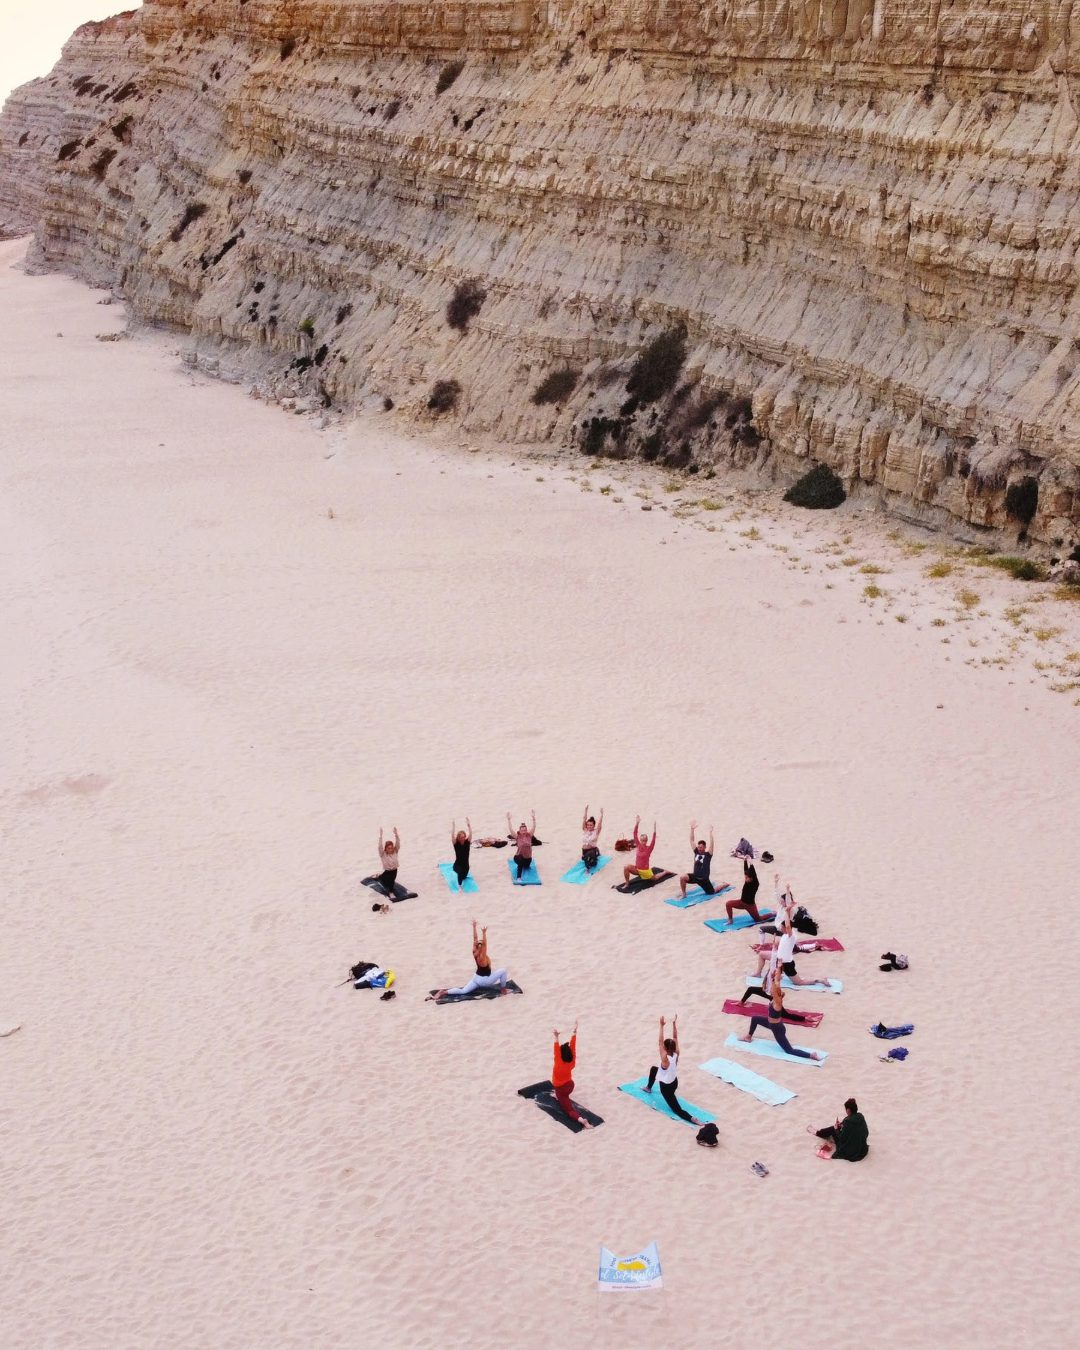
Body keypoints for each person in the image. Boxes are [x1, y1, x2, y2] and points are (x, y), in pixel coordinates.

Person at [644, 1015, 705, 1125]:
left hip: (666, 1088)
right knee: (654, 1069)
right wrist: (673, 1024)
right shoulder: (676, 1053)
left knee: (677, 1110)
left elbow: (660, 1041)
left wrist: (661, 1026)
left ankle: (693, 1119)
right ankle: (648, 1087)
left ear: (666, 1049)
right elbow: (675, 1037)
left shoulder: (664, 1058)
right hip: (674, 1083)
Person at [740, 981, 823, 1060]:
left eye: (772, 990)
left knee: (789, 1050)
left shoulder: (777, 1002)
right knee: (755, 1018)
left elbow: (775, 990)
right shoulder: (775, 998)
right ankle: (748, 1037)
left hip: (777, 1029)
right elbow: (776, 987)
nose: (769, 990)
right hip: (771, 1024)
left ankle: (811, 1055)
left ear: (775, 993)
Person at [434, 920, 510, 999]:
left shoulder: (474, 953)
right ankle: (503, 990)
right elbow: (484, 944)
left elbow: (475, 939)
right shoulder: (482, 957)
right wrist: (484, 933)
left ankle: (444, 992)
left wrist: (474, 927)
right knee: (503, 970)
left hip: (476, 978)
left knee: (463, 991)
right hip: (484, 981)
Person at [551, 1021, 593, 1128]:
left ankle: (583, 1121)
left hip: (561, 1090)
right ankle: (559, 1096)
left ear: (560, 1054)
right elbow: (573, 1047)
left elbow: (556, 1046)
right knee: (561, 1093)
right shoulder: (572, 1060)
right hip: (570, 1085)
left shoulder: (558, 1060)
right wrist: (574, 1031)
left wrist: (556, 1035)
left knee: (569, 1110)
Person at [679, 821, 715, 897]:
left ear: (705, 847)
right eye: (698, 847)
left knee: (713, 892)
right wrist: (692, 829)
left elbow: (712, 844)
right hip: (695, 877)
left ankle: (723, 885)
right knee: (682, 877)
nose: (699, 848)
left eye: (701, 847)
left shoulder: (708, 855)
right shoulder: (696, 852)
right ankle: (684, 894)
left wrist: (710, 833)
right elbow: (691, 840)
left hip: (704, 880)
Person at [725, 855, 762, 922]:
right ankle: (730, 919)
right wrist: (745, 861)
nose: (745, 878)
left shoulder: (755, 884)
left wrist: (751, 863)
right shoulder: (747, 881)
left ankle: (772, 914)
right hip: (741, 903)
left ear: (751, 878)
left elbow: (754, 874)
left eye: (747, 877)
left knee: (758, 919)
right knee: (728, 904)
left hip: (750, 906)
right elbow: (745, 871)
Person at [622, 816, 657, 885]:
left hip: (645, 871)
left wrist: (654, 831)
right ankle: (627, 883)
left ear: (646, 841)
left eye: (644, 840)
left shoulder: (649, 848)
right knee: (626, 867)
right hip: (637, 870)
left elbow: (653, 840)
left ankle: (665, 872)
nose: (643, 842)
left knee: (655, 879)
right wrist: (637, 823)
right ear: (640, 840)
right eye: (641, 840)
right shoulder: (638, 845)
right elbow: (635, 833)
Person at [507, 811, 537, 880]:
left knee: (526, 866)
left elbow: (534, 827)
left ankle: (523, 865)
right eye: (522, 830)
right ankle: (519, 878)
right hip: (518, 857)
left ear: (526, 830)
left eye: (525, 830)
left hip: (528, 859)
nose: (523, 831)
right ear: (520, 831)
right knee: (520, 861)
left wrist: (533, 818)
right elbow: (510, 829)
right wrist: (509, 820)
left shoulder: (529, 835)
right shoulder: (517, 837)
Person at [376, 826, 401, 894]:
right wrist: (381, 836)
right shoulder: (383, 854)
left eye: (391, 847)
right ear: (386, 848)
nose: (390, 849)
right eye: (389, 848)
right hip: (387, 871)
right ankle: (380, 878)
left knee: (391, 880)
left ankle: (391, 890)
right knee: (386, 881)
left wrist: (396, 834)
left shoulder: (395, 851)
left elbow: (398, 844)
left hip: (394, 870)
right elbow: (380, 846)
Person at [451, 818, 472, 889]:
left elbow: (471, 834)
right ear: (459, 838)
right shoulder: (456, 844)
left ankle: (461, 877)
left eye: (464, 836)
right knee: (459, 873)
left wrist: (469, 825)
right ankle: (460, 886)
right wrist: (453, 826)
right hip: (457, 865)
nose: (463, 838)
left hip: (466, 866)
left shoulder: (467, 842)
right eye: (461, 837)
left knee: (464, 877)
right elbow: (452, 836)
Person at [581, 806, 604, 872]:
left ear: (594, 825)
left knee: (591, 862)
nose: (589, 826)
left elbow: (599, 824)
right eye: (588, 825)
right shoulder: (585, 830)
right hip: (584, 851)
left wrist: (601, 815)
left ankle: (587, 869)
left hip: (592, 850)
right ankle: (594, 855)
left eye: (591, 825)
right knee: (586, 859)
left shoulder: (596, 832)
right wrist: (586, 811)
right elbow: (584, 820)